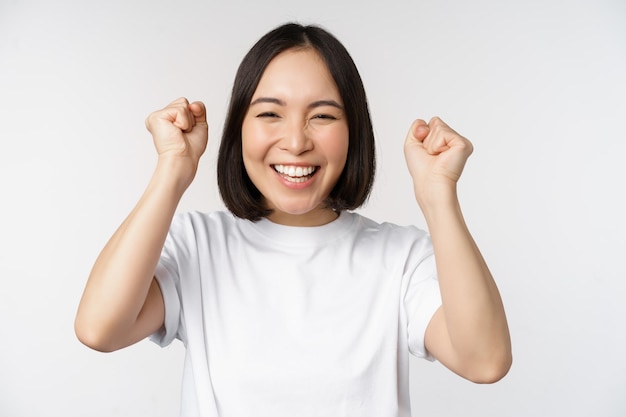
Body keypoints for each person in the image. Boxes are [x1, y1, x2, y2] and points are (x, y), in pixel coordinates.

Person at [75, 22, 511, 417]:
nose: (297, 141)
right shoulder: (198, 245)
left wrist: (438, 197)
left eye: (322, 115)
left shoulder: (401, 258)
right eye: (269, 113)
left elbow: (485, 361)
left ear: (353, 130)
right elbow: (100, 328)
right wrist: (173, 168)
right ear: (238, 128)